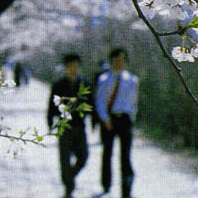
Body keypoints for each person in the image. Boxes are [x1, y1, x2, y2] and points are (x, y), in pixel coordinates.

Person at [96, 48, 138, 198]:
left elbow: (134, 102)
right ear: (111, 61)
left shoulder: (132, 80)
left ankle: (126, 191)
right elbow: (100, 101)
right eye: (116, 60)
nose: (119, 63)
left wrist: (132, 119)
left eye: (121, 60)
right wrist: (105, 119)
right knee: (107, 153)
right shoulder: (104, 79)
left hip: (125, 119)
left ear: (125, 61)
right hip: (109, 118)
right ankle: (106, 184)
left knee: (125, 155)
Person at [47, 53, 90, 198]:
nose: (73, 69)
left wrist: (95, 121)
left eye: (75, 66)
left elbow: (91, 104)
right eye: (70, 66)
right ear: (65, 68)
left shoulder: (85, 84)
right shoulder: (58, 85)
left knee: (83, 157)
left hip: (79, 126)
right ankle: (69, 188)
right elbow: (51, 106)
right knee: (65, 160)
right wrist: (50, 123)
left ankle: (69, 178)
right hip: (64, 126)